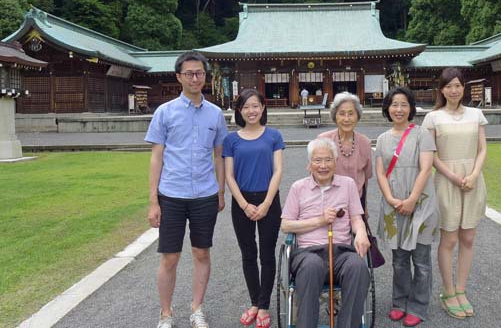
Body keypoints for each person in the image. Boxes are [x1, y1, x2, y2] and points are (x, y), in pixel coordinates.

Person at [145, 51, 227, 328]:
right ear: (179, 76)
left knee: (201, 252)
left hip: (205, 193)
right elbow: (157, 156)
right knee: (170, 256)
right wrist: (153, 200)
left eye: (200, 73)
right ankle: (166, 313)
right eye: (190, 73)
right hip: (172, 194)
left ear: (206, 76)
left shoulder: (215, 114)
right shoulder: (165, 112)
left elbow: (219, 156)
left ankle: (197, 308)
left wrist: (221, 191)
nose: (195, 77)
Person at [281, 138, 370, 328]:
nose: (323, 165)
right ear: (309, 164)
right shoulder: (299, 188)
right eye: (318, 160)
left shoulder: (347, 184)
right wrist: (319, 221)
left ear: (335, 162)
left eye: (328, 160)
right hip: (308, 253)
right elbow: (286, 225)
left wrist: (361, 232)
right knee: (312, 266)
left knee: (358, 266)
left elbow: (356, 218)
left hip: (342, 252)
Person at [422, 68, 488, 320]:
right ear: (441, 89)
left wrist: (473, 174)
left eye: (458, 85)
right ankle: (448, 291)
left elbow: (482, 149)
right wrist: (452, 176)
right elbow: (431, 154)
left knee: (468, 238)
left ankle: (461, 289)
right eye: (449, 86)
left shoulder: (476, 114)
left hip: (472, 178)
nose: (454, 90)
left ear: (464, 88)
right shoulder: (433, 118)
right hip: (447, 180)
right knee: (448, 239)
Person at [375, 86, 439, 327]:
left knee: (421, 259)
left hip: (421, 202)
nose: (399, 109)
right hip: (393, 204)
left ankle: (418, 306)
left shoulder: (421, 134)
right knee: (399, 259)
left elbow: (426, 168)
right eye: (394, 104)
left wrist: (412, 199)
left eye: (404, 104)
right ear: (387, 108)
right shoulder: (382, 139)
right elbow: (380, 173)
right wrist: (391, 199)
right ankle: (399, 302)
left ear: (411, 108)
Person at [223, 89, 285, 328]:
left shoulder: (273, 136)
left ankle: (264, 305)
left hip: (269, 198)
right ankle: (254, 302)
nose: (251, 111)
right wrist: (244, 204)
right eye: (246, 106)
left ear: (263, 108)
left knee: (267, 254)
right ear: (240, 110)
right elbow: (229, 176)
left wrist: (267, 203)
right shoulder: (232, 140)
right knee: (248, 254)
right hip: (242, 202)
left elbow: (278, 170)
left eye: (256, 106)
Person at [317, 92, 372, 212]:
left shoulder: (365, 143)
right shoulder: (323, 140)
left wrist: (365, 206)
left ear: (357, 116)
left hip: (356, 201)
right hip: (328, 202)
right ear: (335, 116)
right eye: (341, 114)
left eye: (351, 114)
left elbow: (364, 179)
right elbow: (314, 175)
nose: (346, 119)